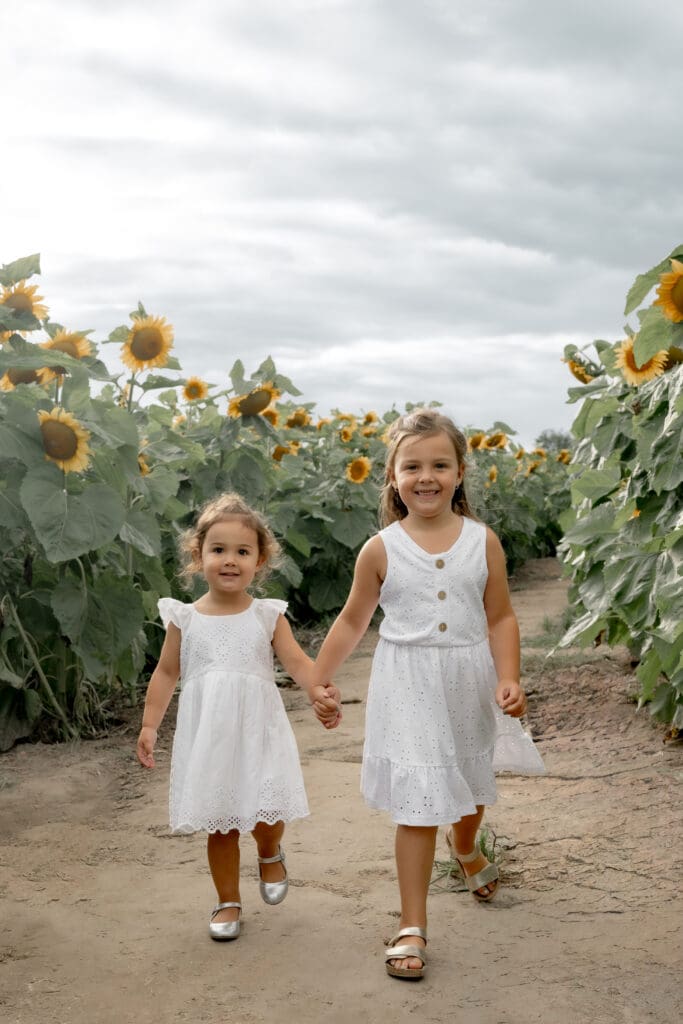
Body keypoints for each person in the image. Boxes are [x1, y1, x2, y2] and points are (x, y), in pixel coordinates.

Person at [312, 409, 545, 980]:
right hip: (409, 684)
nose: (426, 476)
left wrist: (508, 675)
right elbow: (350, 622)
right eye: (412, 465)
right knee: (418, 801)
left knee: (467, 786)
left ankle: (466, 848)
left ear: (461, 471)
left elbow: (501, 617)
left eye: (440, 464)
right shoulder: (380, 549)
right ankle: (411, 924)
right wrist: (320, 679)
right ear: (392, 475)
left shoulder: (483, 542)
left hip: (469, 681)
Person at [136, 493, 341, 942]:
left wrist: (319, 692)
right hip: (211, 737)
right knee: (222, 821)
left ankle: (270, 852)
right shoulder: (185, 618)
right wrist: (151, 724)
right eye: (219, 550)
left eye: (242, 552)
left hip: (258, 732)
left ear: (260, 560)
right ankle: (227, 899)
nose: (230, 561)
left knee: (266, 814)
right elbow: (167, 671)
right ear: (199, 555)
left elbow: (298, 662)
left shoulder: (267, 615)